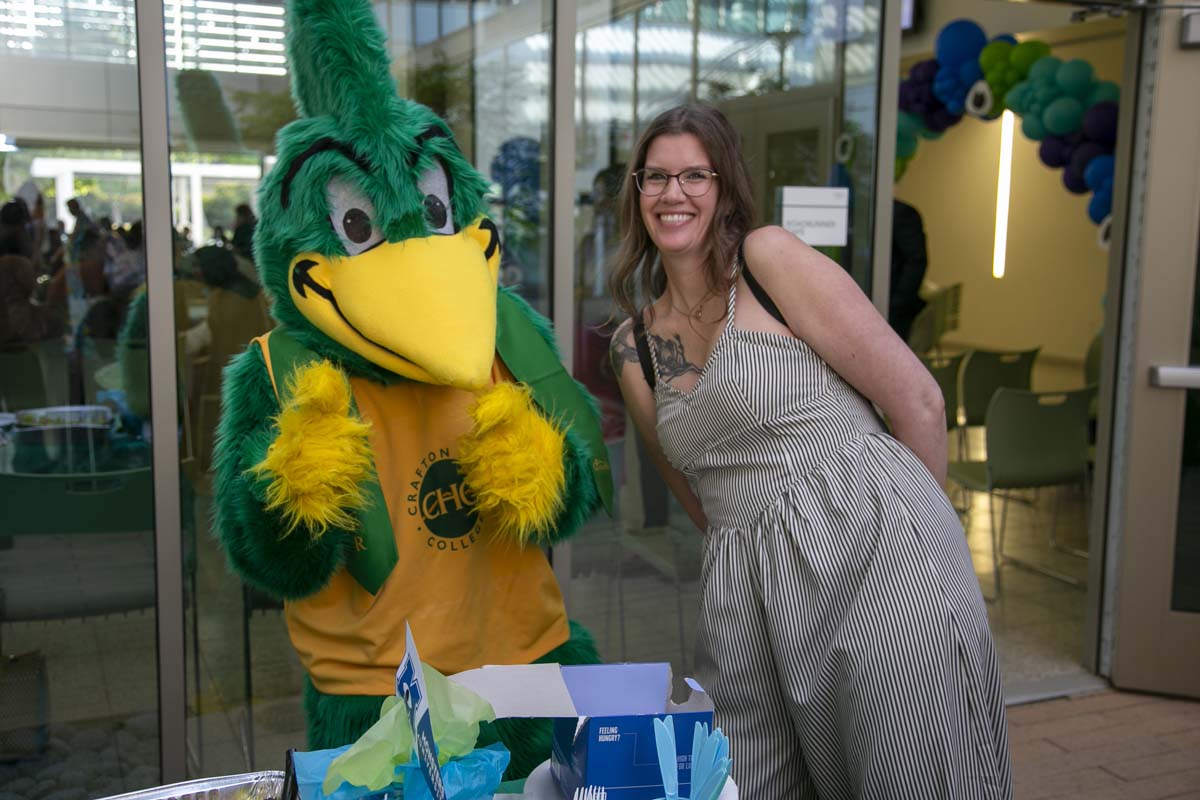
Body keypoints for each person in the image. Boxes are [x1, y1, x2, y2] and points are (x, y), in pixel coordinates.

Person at [607, 105, 1011, 798]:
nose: (674, 194)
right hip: (746, 586)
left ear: (725, 187)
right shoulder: (633, 346)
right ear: (635, 192)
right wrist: (766, 553)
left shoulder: (768, 261)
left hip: (876, 551)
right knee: (748, 780)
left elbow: (918, 401)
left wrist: (922, 550)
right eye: (656, 177)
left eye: (694, 175)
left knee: (907, 774)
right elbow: (693, 490)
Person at [889, 198, 929, 342]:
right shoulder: (858, 212)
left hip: (892, 312)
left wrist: (896, 304)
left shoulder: (900, 213)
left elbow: (917, 261)